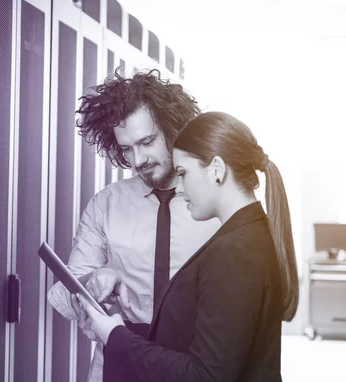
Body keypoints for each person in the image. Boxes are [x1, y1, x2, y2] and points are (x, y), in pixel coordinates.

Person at [73, 111, 300, 381]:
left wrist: (114, 336)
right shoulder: (248, 235)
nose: (178, 188)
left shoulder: (234, 250)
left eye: (183, 173)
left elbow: (205, 375)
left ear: (216, 170)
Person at [47, 69, 220, 382]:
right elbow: (65, 288)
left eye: (147, 142)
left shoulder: (215, 203)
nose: (137, 160)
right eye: (126, 148)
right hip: (118, 364)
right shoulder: (107, 204)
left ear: (174, 129)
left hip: (194, 366)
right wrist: (90, 284)